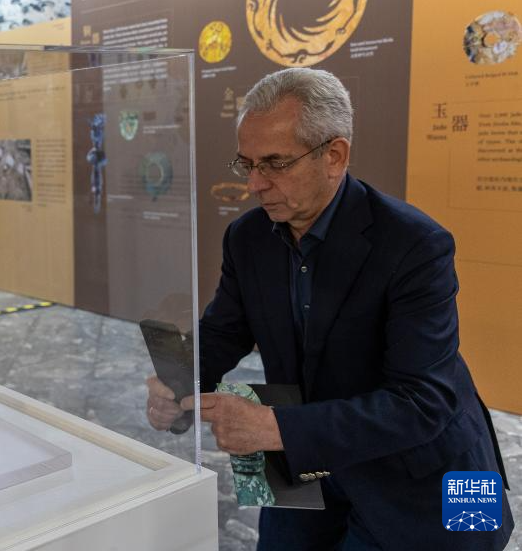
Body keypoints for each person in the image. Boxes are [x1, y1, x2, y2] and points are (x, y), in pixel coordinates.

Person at [146, 68, 513, 550]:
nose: (254, 184)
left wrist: (276, 427)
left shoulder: (415, 244)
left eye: (274, 163)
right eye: (246, 163)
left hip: (417, 471)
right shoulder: (247, 237)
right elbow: (225, 331)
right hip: (298, 458)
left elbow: (423, 401)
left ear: (334, 155)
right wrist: (179, 383)